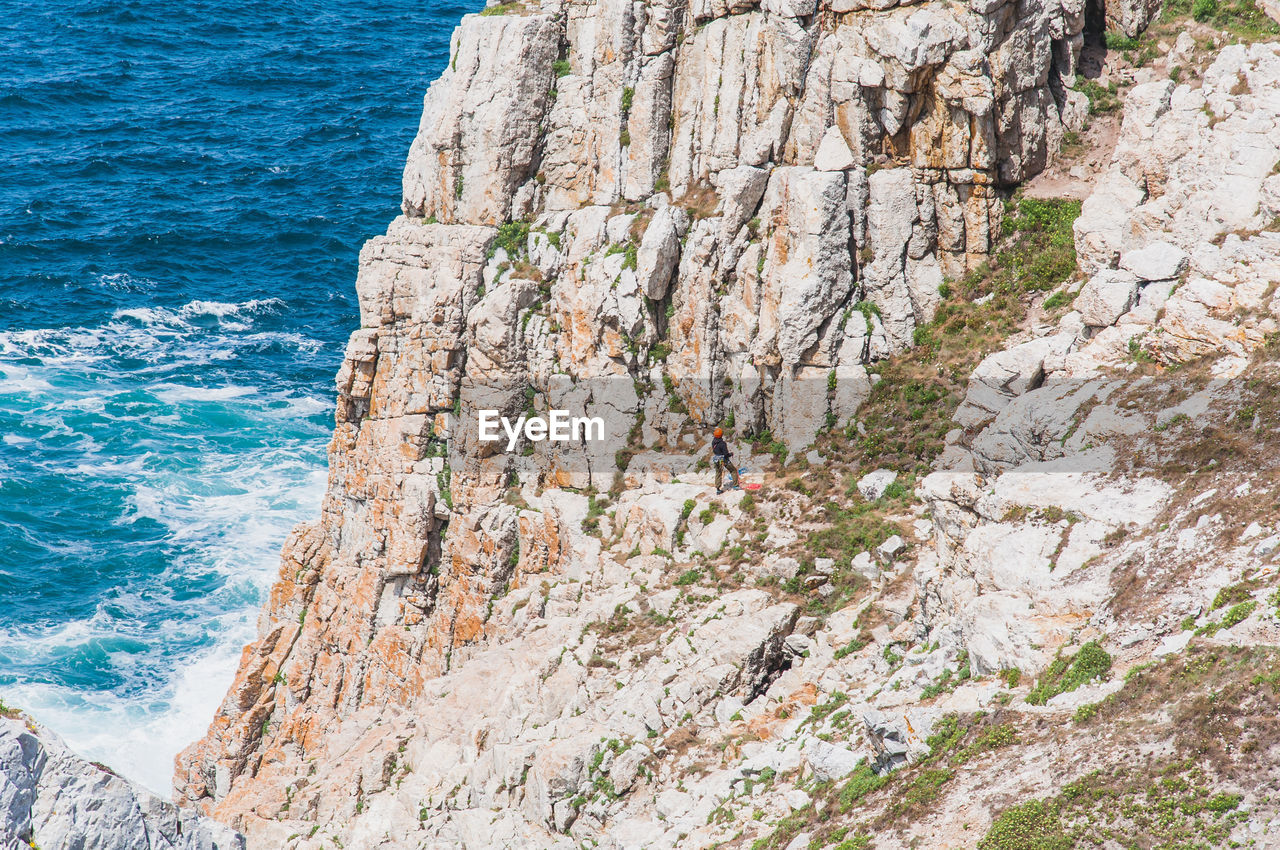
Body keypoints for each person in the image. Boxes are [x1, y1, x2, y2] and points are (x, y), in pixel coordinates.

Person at [710, 427, 741, 494]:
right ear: (721, 435)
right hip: (723, 460)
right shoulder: (722, 443)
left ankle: (718, 489)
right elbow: (726, 454)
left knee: (718, 473)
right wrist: (731, 454)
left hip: (716, 459)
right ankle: (736, 486)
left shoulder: (713, 442)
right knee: (733, 470)